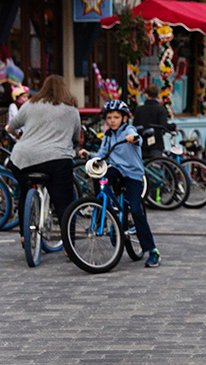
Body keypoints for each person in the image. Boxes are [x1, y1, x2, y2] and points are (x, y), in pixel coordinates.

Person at [5, 74, 81, 247]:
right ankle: (70, 246)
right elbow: (76, 136)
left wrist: (11, 130)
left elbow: (11, 126)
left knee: (25, 191)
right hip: (57, 159)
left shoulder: (30, 105)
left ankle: (25, 235)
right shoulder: (71, 109)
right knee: (64, 203)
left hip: (24, 158)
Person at [93, 99, 160, 268]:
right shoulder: (108, 135)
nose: (112, 120)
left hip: (132, 174)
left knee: (136, 209)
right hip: (116, 170)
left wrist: (133, 138)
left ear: (123, 118)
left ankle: (152, 251)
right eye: (109, 117)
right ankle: (105, 210)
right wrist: (91, 156)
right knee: (100, 176)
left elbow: (137, 137)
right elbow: (102, 153)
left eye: (116, 117)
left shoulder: (128, 130)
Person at [132, 84, 169, 158]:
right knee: (156, 165)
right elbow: (163, 126)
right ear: (157, 96)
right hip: (156, 143)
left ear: (146, 95)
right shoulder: (161, 109)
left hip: (142, 144)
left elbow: (134, 126)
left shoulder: (139, 109)